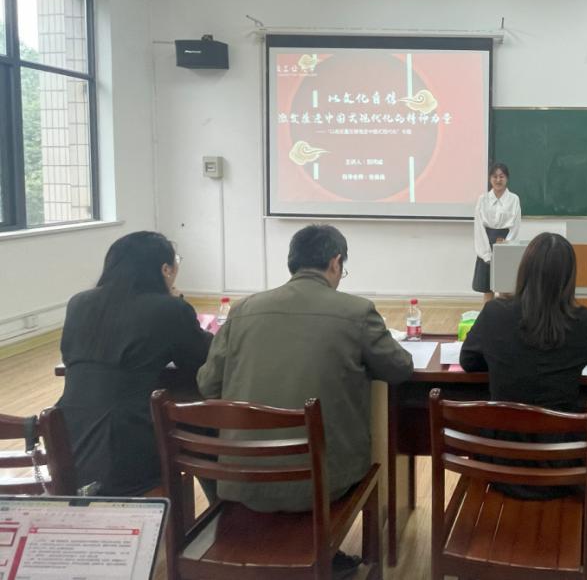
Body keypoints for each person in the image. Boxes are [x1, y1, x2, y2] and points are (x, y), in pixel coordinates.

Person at [197, 224, 413, 570]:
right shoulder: (357, 312)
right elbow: (400, 369)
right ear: (335, 262)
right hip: (324, 482)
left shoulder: (242, 310)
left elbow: (208, 386)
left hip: (242, 477)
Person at [460, 232, 587, 579]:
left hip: (498, 467)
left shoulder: (495, 313)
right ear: (569, 279)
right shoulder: (580, 322)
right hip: (562, 472)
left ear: (523, 271)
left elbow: (468, 360)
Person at [57, 231, 212, 496]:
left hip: (69, 434)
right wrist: (177, 304)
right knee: (207, 424)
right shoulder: (168, 308)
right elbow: (201, 357)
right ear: (165, 269)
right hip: (130, 441)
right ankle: (222, 508)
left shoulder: (79, 303)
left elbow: (68, 354)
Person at [472, 162, 521, 302]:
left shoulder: (514, 199)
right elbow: (479, 228)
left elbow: (515, 226)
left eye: (501, 176)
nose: (498, 180)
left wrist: (506, 247)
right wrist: (486, 254)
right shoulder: (483, 199)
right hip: (486, 243)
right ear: (490, 178)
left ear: (507, 178)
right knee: (487, 289)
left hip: (506, 244)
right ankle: (488, 315)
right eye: (494, 176)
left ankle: (505, 315)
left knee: (506, 289)